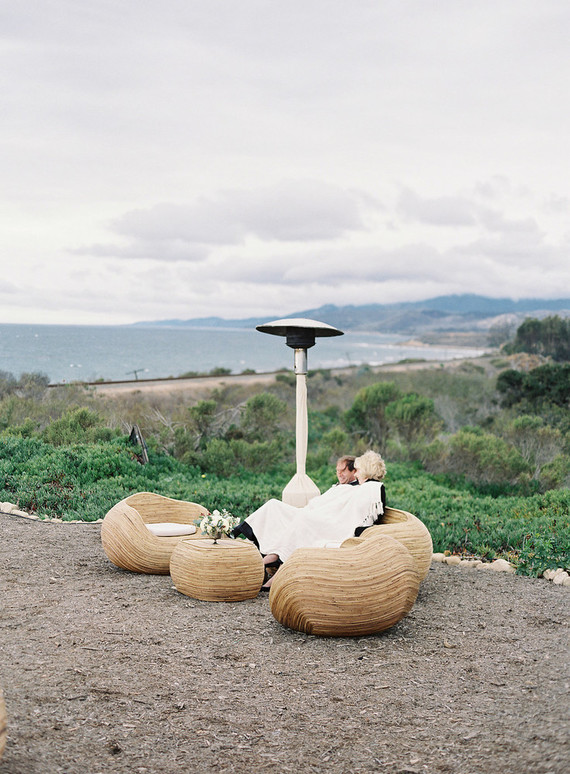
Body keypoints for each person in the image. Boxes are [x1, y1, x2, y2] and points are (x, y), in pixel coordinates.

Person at [233, 450, 387, 591]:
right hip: (331, 520)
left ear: (366, 470)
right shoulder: (363, 488)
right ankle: (275, 556)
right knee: (296, 516)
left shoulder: (371, 489)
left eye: (358, 470)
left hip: (340, 528)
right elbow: (338, 507)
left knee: (304, 521)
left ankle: (277, 561)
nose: (357, 474)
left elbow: (357, 516)